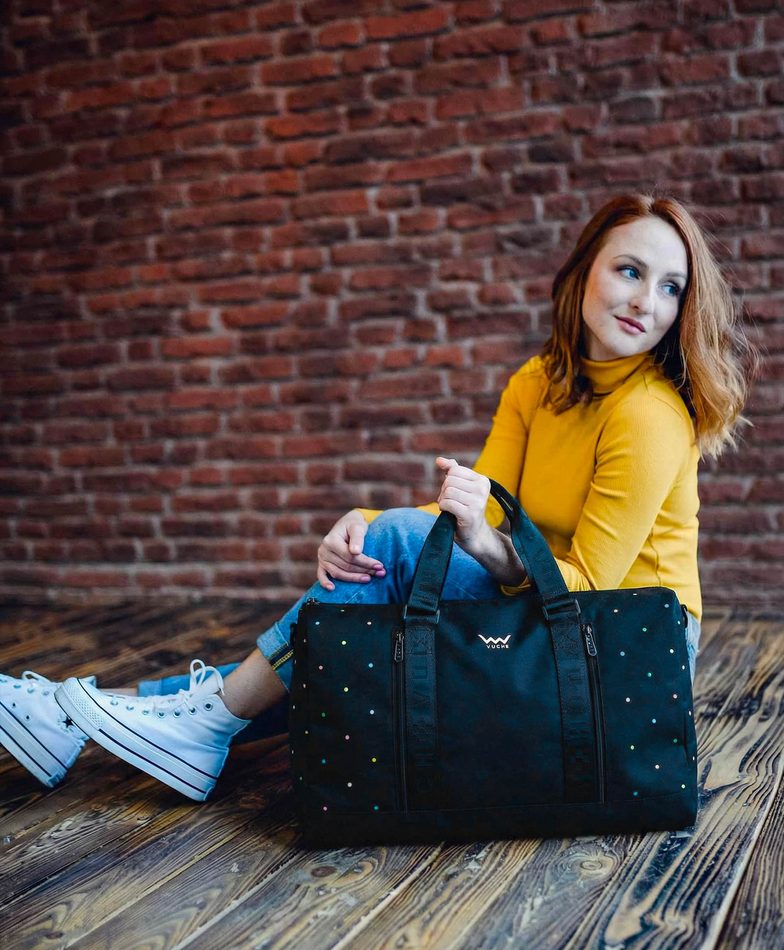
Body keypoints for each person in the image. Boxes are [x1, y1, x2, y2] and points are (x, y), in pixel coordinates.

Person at [0, 192, 759, 801]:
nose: (646, 301)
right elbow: (475, 510)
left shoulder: (648, 414)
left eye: (670, 288)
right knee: (358, 609)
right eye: (629, 271)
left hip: (629, 644)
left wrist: (473, 544)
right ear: (585, 270)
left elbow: (586, 586)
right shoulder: (539, 382)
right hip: (548, 607)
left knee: (386, 566)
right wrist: (361, 522)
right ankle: (80, 713)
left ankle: (180, 719)